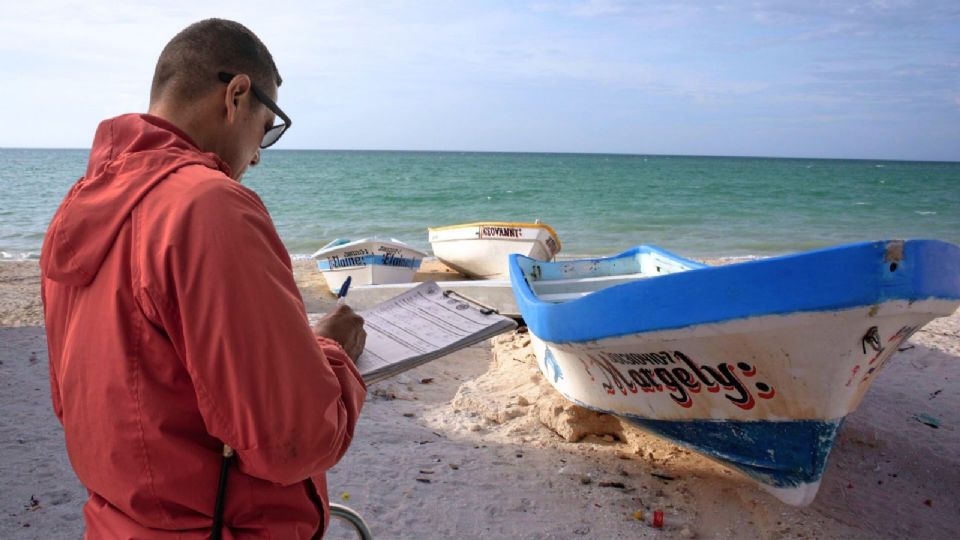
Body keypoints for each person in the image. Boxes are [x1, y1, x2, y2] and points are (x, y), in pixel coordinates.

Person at [40, 19, 367, 538]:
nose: (258, 154)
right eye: (267, 128)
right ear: (236, 94)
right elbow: (293, 441)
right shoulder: (209, 205)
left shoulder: (78, 208)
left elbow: (83, 399)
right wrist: (333, 352)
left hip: (118, 521)